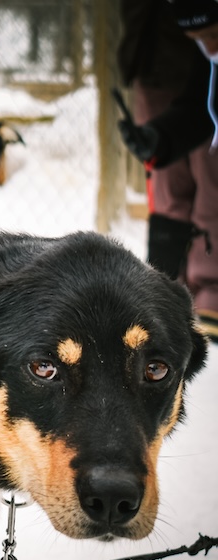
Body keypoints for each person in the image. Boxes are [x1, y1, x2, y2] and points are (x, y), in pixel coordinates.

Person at [118, 0, 218, 341]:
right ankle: (163, 294)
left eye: (213, 37)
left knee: (212, 184)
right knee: (168, 190)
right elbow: (198, 110)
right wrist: (158, 139)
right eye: (200, 41)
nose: (209, 49)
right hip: (156, 62)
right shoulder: (208, 61)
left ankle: (211, 292)